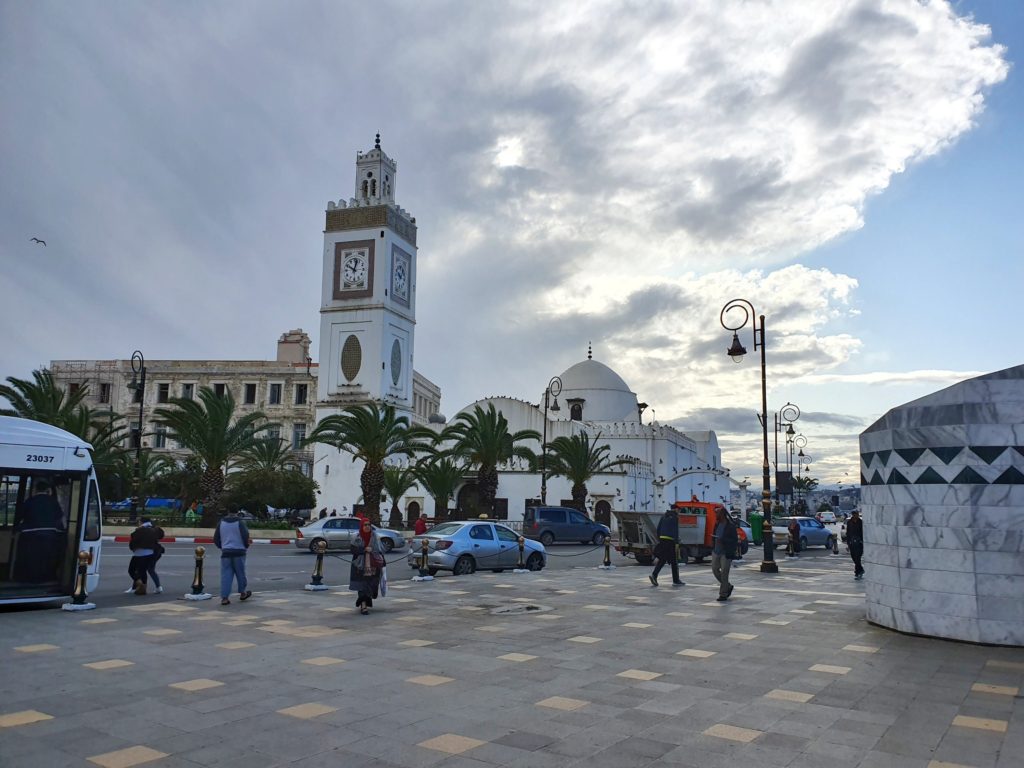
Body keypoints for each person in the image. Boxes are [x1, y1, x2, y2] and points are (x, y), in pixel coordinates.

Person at [12, 479, 67, 583]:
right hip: (49, 536)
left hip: (30, 535)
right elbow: (60, 518)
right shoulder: (53, 502)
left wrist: (16, 530)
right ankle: (44, 579)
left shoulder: (30, 501)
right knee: (45, 559)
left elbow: (19, 517)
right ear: (48, 490)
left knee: (29, 559)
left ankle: (26, 579)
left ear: (35, 490)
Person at [214, 506, 252, 605]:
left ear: (228, 511)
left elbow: (216, 538)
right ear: (237, 512)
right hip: (239, 552)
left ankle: (225, 598)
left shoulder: (221, 522)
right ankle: (243, 593)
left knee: (226, 575)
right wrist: (246, 546)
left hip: (226, 552)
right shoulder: (240, 522)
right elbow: (245, 536)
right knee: (240, 573)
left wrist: (222, 547)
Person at [349, 518, 383, 614]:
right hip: (359, 565)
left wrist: (382, 561)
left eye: (369, 525)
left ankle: (366, 601)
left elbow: (379, 550)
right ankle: (363, 605)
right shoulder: (357, 537)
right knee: (362, 586)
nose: (367, 527)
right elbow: (352, 550)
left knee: (370, 584)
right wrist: (364, 549)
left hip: (373, 564)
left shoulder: (375, 536)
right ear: (361, 526)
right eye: (365, 525)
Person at [127, 517, 163, 595]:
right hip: (152, 553)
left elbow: (133, 541)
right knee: (145, 570)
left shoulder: (139, 531)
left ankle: (140, 586)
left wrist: (132, 548)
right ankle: (141, 587)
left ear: (141, 522)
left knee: (133, 570)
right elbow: (161, 536)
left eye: (139, 521)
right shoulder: (155, 529)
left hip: (139, 554)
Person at [649, 508, 684, 587]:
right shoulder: (675, 517)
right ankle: (676, 580)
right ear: (676, 510)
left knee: (663, 559)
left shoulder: (664, 516)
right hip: (670, 541)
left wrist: (660, 539)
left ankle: (654, 575)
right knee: (674, 561)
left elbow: (658, 529)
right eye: (679, 511)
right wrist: (677, 541)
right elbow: (675, 530)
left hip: (662, 539)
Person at [712, 509, 739, 601]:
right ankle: (727, 586)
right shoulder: (717, 524)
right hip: (716, 551)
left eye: (717, 513)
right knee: (715, 570)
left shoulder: (730, 526)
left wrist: (723, 540)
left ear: (722, 514)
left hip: (725, 552)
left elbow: (734, 540)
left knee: (724, 573)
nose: (716, 515)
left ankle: (723, 594)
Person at [846, 509, 865, 580]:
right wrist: (848, 543)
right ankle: (861, 569)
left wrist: (862, 541)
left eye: (856, 514)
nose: (855, 515)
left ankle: (857, 572)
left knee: (858, 558)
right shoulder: (849, 522)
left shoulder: (861, 522)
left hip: (859, 543)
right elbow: (848, 533)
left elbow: (863, 532)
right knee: (854, 557)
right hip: (852, 543)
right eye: (853, 514)